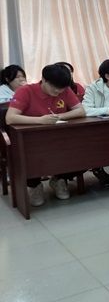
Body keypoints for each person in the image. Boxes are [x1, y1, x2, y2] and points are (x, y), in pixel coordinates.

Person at [6, 64, 86, 206]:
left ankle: (59, 179)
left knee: (84, 151)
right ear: (43, 80)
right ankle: (35, 185)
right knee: (27, 156)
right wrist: (40, 120)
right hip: (31, 140)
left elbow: (80, 111)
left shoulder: (65, 89)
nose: (58, 91)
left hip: (59, 138)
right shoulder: (25, 91)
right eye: (54, 87)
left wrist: (58, 117)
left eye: (61, 88)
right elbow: (10, 118)